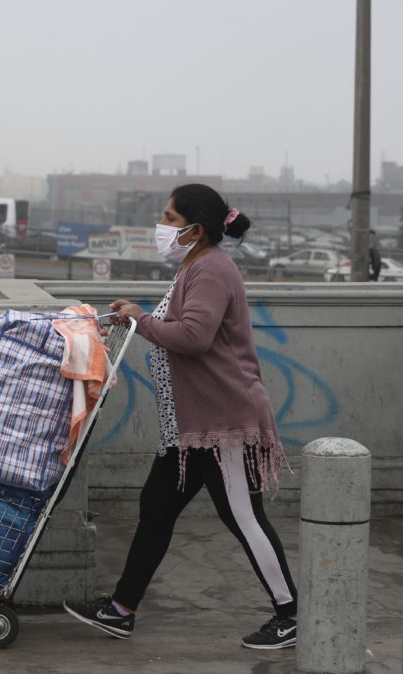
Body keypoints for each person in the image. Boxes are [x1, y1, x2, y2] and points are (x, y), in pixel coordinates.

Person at [64, 184, 298, 650]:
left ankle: (292, 615)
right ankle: (121, 610)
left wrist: (138, 320)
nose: (162, 226)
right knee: (156, 508)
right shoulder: (196, 265)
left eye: (169, 219)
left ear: (194, 230)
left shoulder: (212, 269)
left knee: (244, 519)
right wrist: (138, 318)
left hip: (222, 425)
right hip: (190, 428)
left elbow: (193, 336)